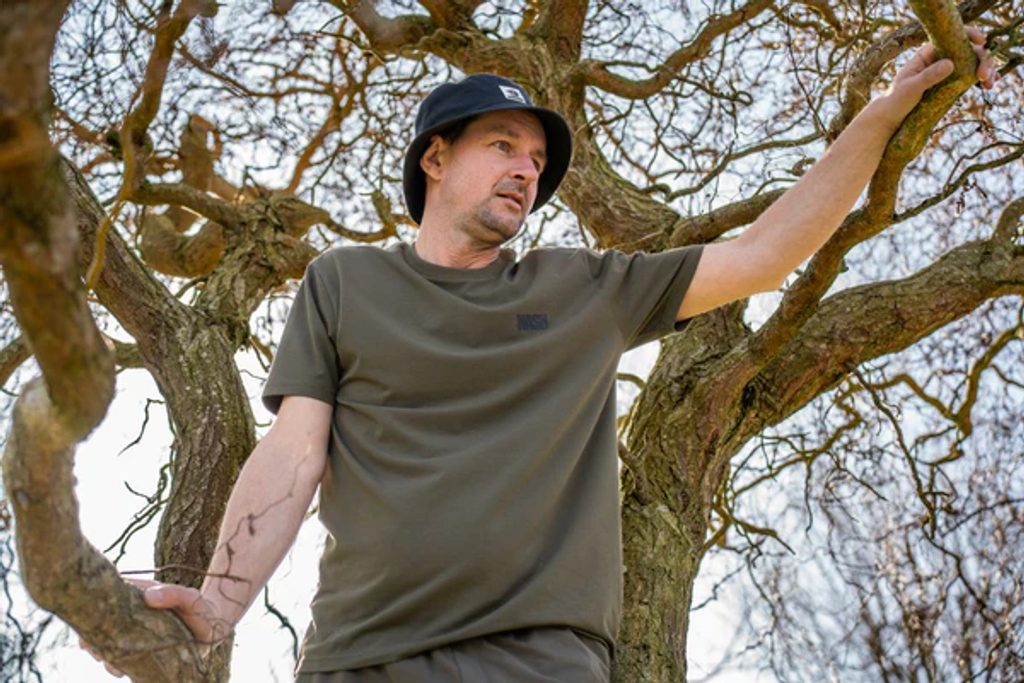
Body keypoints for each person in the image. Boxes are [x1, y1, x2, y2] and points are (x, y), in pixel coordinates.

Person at [87, 29, 999, 682]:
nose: (527, 169)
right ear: (435, 159)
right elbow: (293, 453)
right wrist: (219, 602)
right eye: (503, 146)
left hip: (537, 660)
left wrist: (883, 114)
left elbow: (764, 252)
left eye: (536, 159)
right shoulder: (343, 282)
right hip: (357, 656)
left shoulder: (581, 290)